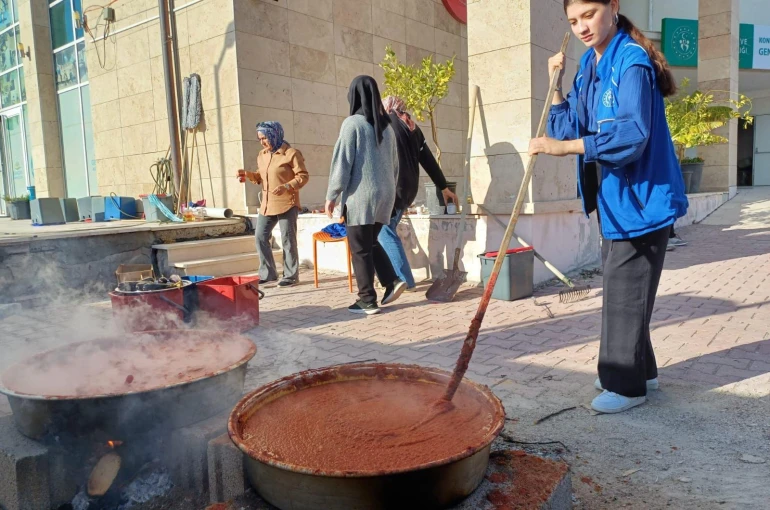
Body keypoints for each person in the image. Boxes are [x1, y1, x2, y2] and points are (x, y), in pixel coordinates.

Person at [528, 0, 688, 414]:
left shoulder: (631, 60)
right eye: (573, 21)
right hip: (614, 199)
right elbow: (568, 125)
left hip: (641, 199)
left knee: (624, 292)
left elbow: (632, 135)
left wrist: (564, 149)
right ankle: (642, 374)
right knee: (628, 292)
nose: (582, 27)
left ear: (613, 7)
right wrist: (558, 86)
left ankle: (625, 386)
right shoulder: (589, 67)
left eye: (589, 15)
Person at [325, 76, 406, 315]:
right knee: (370, 242)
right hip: (385, 195)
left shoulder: (352, 124)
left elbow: (342, 161)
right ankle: (392, 280)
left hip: (362, 196)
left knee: (359, 248)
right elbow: (395, 166)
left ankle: (367, 300)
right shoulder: (387, 127)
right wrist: (391, 194)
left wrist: (332, 194)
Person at [379, 96, 458, 289]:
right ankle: (391, 276)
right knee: (385, 229)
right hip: (409, 189)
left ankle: (404, 280)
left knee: (384, 230)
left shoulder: (386, 125)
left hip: (393, 188)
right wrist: (443, 187)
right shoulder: (413, 127)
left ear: (387, 107)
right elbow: (429, 160)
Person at [237, 121, 309, 288]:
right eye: (260, 139)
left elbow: (303, 176)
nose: (262, 142)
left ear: (274, 135)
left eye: (265, 138)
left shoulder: (291, 153)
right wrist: (247, 175)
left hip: (287, 203)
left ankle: (291, 276)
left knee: (287, 240)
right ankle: (268, 273)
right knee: (260, 236)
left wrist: (287, 186)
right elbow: (261, 177)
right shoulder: (262, 155)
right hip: (267, 204)